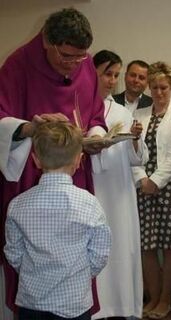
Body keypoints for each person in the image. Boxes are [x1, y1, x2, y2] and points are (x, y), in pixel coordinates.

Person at [0, 7, 107, 318]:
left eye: (79, 57)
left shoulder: (85, 63)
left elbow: (95, 112)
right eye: (66, 56)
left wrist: (97, 133)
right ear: (47, 39)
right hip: (32, 173)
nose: (73, 65)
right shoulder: (18, 65)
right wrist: (30, 128)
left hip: (76, 171)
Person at [4, 121, 112, 320]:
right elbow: (100, 254)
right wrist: (80, 275)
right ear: (79, 160)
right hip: (75, 302)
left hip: (32, 303)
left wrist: (32, 273)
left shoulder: (18, 204)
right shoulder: (89, 203)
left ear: (36, 160)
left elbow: (13, 252)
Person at [133, 61, 171, 319]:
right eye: (155, 87)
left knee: (169, 247)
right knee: (146, 246)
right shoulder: (139, 115)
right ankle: (153, 297)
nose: (159, 92)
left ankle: (166, 300)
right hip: (143, 185)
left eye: (164, 87)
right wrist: (142, 180)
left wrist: (155, 181)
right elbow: (132, 153)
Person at [91, 49, 148, 319]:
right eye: (107, 74)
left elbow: (137, 158)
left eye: (115, 75)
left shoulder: (122, 112)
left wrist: (135, 138)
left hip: (118, 187)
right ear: (92, 73)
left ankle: (122, 305)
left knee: (120, 243)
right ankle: (96, 307)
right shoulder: (77, 105)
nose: (112, 80)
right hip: (91, 185)